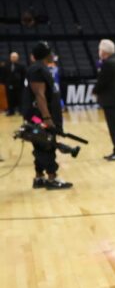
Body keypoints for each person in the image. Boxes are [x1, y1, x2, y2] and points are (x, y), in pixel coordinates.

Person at [22, 42, 72, 190]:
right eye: (49, 52)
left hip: (38, 116)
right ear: (45, 54)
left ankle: (39, 177)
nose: (52, 54)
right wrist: (47, 118)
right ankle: (52, 178)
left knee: (39, 145)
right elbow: (39, 95)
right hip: (39, 117)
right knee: (47, 144)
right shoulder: (37, 69)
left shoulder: (40, 68)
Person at [93, 39, 115, 161]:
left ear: (104, 51)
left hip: (111, 100)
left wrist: (95, 91)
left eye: (100, 49)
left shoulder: (108, 63)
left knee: (114, 128)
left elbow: (102, 82)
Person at [5, 51, 26, 116]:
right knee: (10, 98)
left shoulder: (22, 66)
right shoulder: (7, 65)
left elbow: (24, 75)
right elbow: (4, 75)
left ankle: (21, 110)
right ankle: (11, 111)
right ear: (10, 58)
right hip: (9, 85)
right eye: (12, 57)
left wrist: (22, 84)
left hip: (19, 85)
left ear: (17, 58)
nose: (13, 58)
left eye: (15, 57)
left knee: (20, 98)